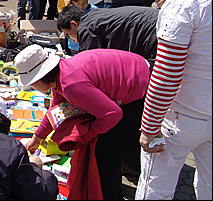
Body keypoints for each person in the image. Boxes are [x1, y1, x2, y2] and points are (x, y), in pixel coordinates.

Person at [133, 0, 212, 200]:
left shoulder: (184, 4)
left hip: (182, 115)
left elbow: (167, 73)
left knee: (155, 188)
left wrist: (149, 127)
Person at [15, 45, 151, 200]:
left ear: (40, 77)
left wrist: (87, 134)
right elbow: (55, 111)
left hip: (142, 86)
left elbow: (112, 114)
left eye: (32, 83)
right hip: (135, 73)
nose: (32, 86)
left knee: (103, 151)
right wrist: (36, 138)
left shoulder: (71, 85)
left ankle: (111, 195)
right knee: (111, 142)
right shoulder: (60, 75)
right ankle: (130, 166)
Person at [57, 4, 159, 62]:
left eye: (67, 34)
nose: (72, 39)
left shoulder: (85, 27)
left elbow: (93, 62)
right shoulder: (94, 16)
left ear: (74, 24)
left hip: (151, 34)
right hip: (156, 21)